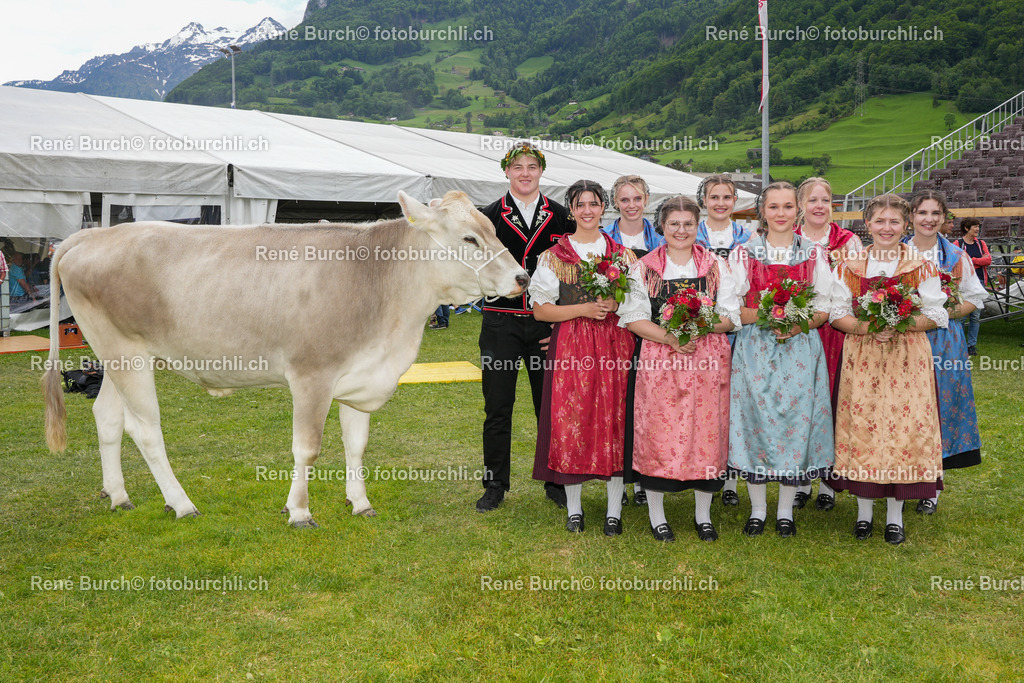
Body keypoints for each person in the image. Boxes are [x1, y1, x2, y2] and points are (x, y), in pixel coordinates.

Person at [618, 196, 739, 542]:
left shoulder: (716, 265)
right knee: (659, 433)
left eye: (688, 224)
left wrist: (699, 326)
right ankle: (657, 516)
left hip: (706, 359)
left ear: (697, 226)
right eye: (674, 223)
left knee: (706, 433)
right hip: (661, 358)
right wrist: (671, 337)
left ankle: (703, 515)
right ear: (662, 226)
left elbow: (730, 316)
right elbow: (634, 318)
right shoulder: (644, 267)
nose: (681, 230)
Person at [829, 194, 946, 544]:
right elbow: (837, 313)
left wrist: (900, 324)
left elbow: (936, 313)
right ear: (868, 224)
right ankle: (864, 514)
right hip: (863, 355)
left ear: (905, 225)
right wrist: (868, 327)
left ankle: (895, 517)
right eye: (880, 221)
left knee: (903, 431)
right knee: (863, 427)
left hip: (907, 356)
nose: (887, 228)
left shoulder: (921, 265)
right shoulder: (849, 265)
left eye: (894, 221)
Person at [728, 182, 835, 538]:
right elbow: (730, 308)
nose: (780, 213)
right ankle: (758, 508)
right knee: (754, 421)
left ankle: (786, 510)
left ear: (797, 210)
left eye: (787, 206)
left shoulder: (814, 254)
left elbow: (825, 307)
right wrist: (766, 316)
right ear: (762, 211)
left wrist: (797, 324)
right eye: (773, 207)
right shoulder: (744, 253)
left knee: (795, 421)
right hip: (755, 348)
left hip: (799, 347)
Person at [531, 180, 637, 534]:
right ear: (572, 210)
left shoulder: (622, 255)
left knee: (616, 419)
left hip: (616, 344)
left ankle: (613, 510)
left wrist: (615, 305)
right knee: (571, 418)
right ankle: (574, 509)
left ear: (603, 207)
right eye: (580, 205)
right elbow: (541, 310)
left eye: (594, 203)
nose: (587, 210)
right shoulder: (554, 255)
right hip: (572, 346)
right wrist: (583, 309)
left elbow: (638, 305)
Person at [476, 142, 570, 512]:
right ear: (507, 171)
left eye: (532, 166)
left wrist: (562, 321)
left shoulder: (562, 215)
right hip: (500, 322)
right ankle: (495, 484)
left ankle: (555, 480)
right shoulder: (487, 216)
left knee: (549, 407)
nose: (525, 173)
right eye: (518, 167)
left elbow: (573, 273)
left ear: (541, 171)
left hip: (546, 326)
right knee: (498, 407)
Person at [905, 191, 985, 514]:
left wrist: (943, 314)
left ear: (943, 218)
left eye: (935, 213)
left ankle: (932, 487)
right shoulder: (896, 252)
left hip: (944, 341)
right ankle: (903, 480)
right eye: (922, 212)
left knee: (940, 407)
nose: (928, 219)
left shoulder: (955, 255)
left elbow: (974, 298)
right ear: (911, 216)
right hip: (903, 340)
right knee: (906, 408)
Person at [792, 177, 864, 512]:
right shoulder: (789, 239)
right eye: (812, 200)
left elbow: (860, 285)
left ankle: (828, 483)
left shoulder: (848, 241)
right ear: (801, 205)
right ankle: (801, 479)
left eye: (825, 200)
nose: (819, 206)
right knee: (801, 402)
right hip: (799, 329)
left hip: (838, 331)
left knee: (833, 400)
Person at [602, 174, 665, 507]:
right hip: (613, 332)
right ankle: (618, 480)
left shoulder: (662, 239)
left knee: (648, 405)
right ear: (615, 202)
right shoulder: (603, 240)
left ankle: (643, 477)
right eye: (624, 199)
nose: (631, 205)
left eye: (637, 198)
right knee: (618, 404)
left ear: (646, 200)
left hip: (652, 331)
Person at [694, 173, 753, 509]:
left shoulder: (749, 238)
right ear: (704, 201)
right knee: (706, 403)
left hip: (738, 327)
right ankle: (704, 468)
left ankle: (729, 478)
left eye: (726, 197)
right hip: (702, 329)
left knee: (732, 402)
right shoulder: (690, 233)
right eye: (713, 197)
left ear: (735, 201)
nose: (720, 203)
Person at [955, 217, 990, 355]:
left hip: (979, 282)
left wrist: (971, 260)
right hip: (963, 283)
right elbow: (957, 262)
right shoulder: (958, 243)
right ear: (966, 228)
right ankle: (960, 344)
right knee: (962, 316)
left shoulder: (981, 243)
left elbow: (988, 260)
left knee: (975, 316)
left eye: (978, 226)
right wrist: (978, 261)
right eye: (974, 226)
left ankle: (971, 346)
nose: (977, 229)